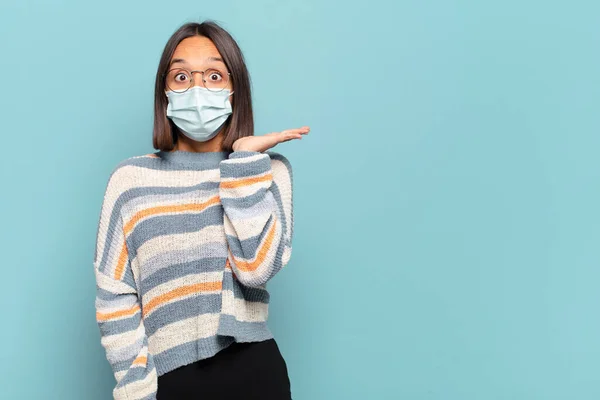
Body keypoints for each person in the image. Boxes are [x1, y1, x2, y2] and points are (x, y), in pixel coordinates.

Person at [93, 20, 309, 400]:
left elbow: (256, 269)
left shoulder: (266, 171)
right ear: (165, 92)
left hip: (256, 374)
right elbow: (115, 295)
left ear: (234, 91)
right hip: (169, 382)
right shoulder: (130, 180)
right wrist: (136, 390)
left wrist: (243, 161)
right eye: (181, 76)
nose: (197, 89)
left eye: (213, 75)